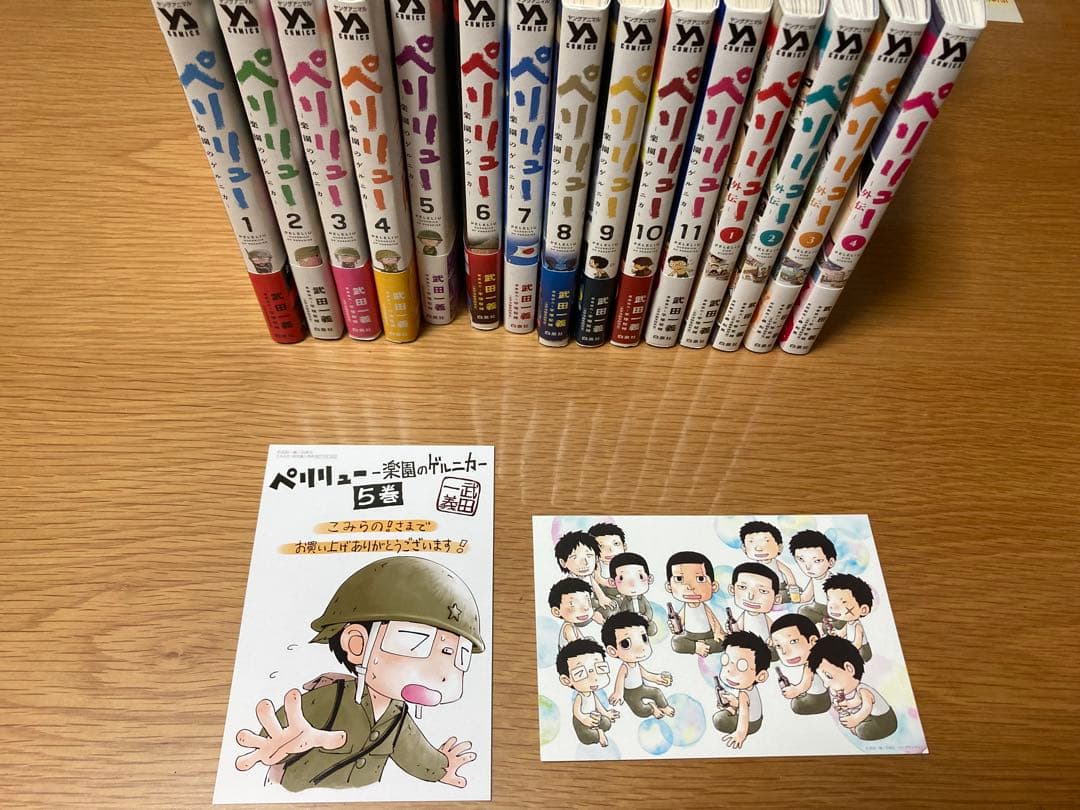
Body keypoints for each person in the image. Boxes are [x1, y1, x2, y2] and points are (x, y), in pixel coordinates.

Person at [233, 557, 483, 791]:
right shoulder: (330, 699)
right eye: (415, 641)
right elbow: (274, 737)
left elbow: (416, 755)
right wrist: (276, 746)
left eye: (458, 654)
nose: (443, 673)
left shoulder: (397, 717)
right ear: (357, 644)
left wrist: (441, 768)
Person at [808, 636, 897, 741]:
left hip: (883, 720)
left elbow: (867, 708)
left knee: (863, 731)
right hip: (867, 718)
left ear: (849, 668)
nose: (826, 685)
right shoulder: (842, 690)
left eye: (829, 676)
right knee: (858, 729)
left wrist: (855, 719)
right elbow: (851, 703)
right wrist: (840, 704)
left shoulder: (862, 690)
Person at [603, 612, 674, 719]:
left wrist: (657, 678)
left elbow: (645, 674)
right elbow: (620, 680)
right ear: (613, 651)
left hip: (641, 687)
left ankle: (664, 706)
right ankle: (652, 708)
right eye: (626, 643)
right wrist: (618, 693)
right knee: (640, 710)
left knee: (657, 692)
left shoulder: (636, 665)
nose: (640, 648)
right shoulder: (625, 667)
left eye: (644, 638)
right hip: (630, 693)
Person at [712, 631, 770, 749]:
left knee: (719, 719)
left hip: (750, 724)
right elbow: (749, 706)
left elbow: (744, 715)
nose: (730, 670)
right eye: (726, 661)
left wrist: (739, 734)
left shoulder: (743, 694)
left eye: (741, 666)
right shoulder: (750, 688)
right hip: (756, 719)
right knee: (729, 707)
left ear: (761, 676)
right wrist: (735, 703)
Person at [556, 639, 619, 746]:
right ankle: (598, 734)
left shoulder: (592, 694)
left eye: (600, 668)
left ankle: (598, 730)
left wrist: (606, 713)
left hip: (593, 715)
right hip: (581, 720)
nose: (593, 678)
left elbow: (598, 705)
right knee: (586, 737)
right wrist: (584, 719)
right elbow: (576, 712)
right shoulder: (580, 696)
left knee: (607, 723)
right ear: (567, 680)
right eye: (580, 673)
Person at [664, 551, 725, 656]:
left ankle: (699, 646)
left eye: (700, 579)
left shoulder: (705, 608)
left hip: (708, 635)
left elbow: (713, 621)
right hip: (689, 636)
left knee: (723, 641)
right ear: (669, 586)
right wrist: (675, 626)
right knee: (676, 642)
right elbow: (679, 625)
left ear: (713, 586)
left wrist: (718, 632)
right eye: (679, 579)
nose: (690, 587)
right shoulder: (685, 609)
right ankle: (696, 646)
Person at [770, 614, 830, 715]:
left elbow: (805, 683)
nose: (785, 652)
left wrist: (796, 690)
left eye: (793, 641)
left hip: (818, 699)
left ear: (813, 641)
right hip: (817, 695)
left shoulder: (812, 664)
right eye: (779, 646)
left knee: (796, 706)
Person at [554, 531, 610, 621]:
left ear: (596, 558)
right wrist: (593, 614)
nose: (585, 562)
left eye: (589, 555)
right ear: (563, 562)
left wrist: (602, 597)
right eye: (575, 557)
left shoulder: (588, 576)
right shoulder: (571, 584)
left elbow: (593, 583)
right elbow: (578, 607)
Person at [728, 562, 779, 659]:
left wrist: (773, 639)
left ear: (776, 599)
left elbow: (774, 631)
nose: (751, 597)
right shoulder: (743, 618)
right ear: (732, 589)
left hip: (765, 647)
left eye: (763, 591)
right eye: (743, 587)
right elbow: (737, 631)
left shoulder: (766, 619)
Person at [788, 530, 839, 626]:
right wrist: (794, 595)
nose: (808, 567)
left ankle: (827, 626)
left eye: (817, 561)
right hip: (819, 609)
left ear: (831, 562)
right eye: (801, 559)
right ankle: (823, 624)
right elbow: (806, 597)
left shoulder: (833, 581)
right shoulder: (814, 579)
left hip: (835, 610)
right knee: (803, 610)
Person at [738, 521, 797, 603]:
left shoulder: (775, 563)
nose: (759, 549)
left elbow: (788, 572)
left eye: (767, 541)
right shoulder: (754, 566)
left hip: (779, 587)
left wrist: (792, 585)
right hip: (762, 588)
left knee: (784, 596)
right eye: (751, 542)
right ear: (744, 548)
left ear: (779, 547)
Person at [824, 573, 874, 661]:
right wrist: (836, 633)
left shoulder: (857, 626)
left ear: (863, 610)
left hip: (862, 651)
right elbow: (842, 632)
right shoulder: (849, 623)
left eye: (843, 602)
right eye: (829, 600)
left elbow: (857, 644)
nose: (832, 606)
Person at [607, 552, 657, 635]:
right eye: (622, 578)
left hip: (643, 620)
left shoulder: (642, 599)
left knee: (651, 628)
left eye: (640, 577)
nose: (632, 584)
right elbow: (623, 612)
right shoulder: (625, 601)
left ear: (649, 578)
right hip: (631, 624)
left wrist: (646, 617)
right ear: (613, 582)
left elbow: (648, 609)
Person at [548, 578, 596, 649]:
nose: (585, 608)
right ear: (556, 611)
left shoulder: (572, 625)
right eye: (573, 604)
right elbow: (576, 647)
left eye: (588, 601)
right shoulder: (568, 628)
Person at [588, 522, 626, 608]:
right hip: (603, 596)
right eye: (601, 546)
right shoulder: (596, 565)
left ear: (624, 547)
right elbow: (594, 579)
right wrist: (606, 582)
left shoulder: (624, 564)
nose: (610, 550)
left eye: (616, 544)